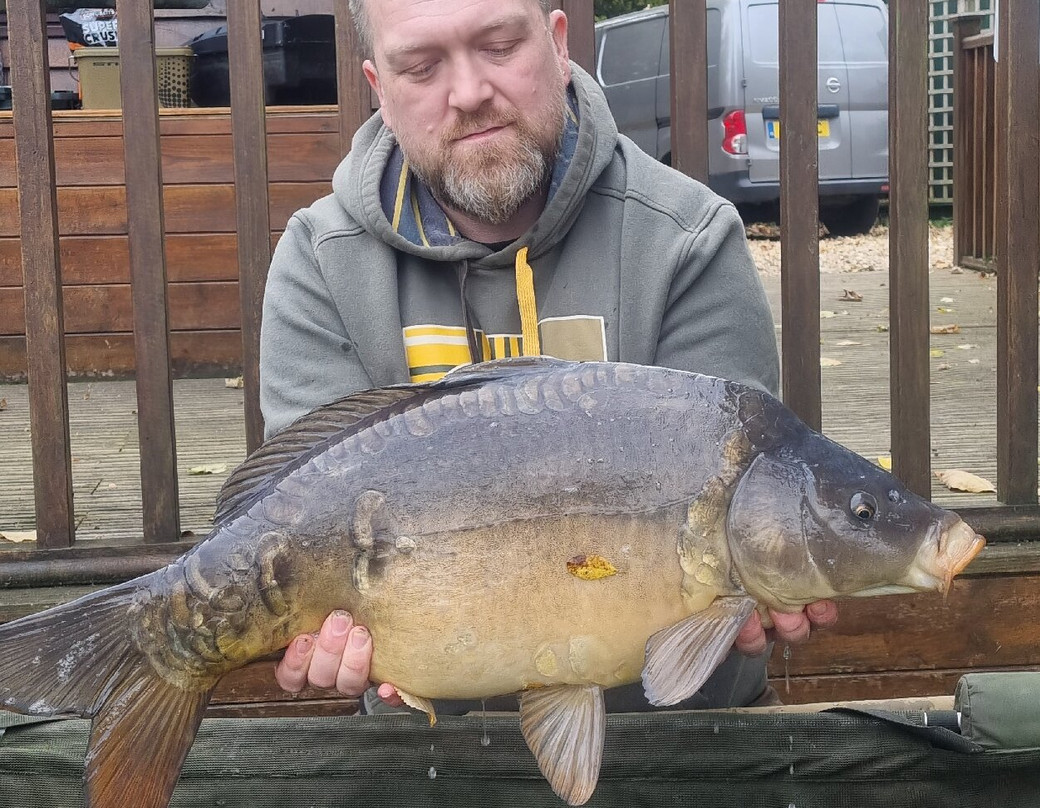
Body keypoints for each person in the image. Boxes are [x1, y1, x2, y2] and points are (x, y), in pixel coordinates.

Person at [260, 0, 837, 712]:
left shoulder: (687, 239)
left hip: (684, 740)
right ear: (380, 89)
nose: (468, 92)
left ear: (559, 45)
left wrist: (770, 581)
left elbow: (739, 518)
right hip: (424, 752)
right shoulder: (320, 262)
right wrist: (308, 632)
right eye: (423, 65)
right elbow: (288, 516)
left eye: (498, 44)